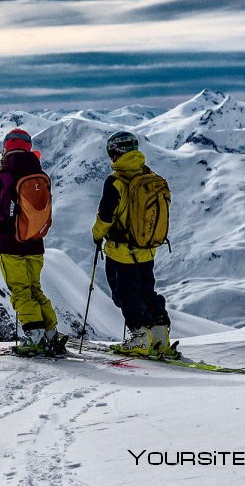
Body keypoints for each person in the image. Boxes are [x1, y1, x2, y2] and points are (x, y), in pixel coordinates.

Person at [0, 128, 68, 356]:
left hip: (10, 244)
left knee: (20, 291)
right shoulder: (39, 174)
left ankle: (35, 336)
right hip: (35, 242)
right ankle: (51, 333)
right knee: (34, 288)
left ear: (6, 147)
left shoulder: (4, 175)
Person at [92, 130, 176, 357]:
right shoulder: (149, 176)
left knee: (125, 294)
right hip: (147, 250)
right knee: (147, 291)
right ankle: (159, 336)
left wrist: (96, 235)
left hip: (121, 253)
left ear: (115, 153)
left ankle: (139, 337)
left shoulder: (116, 182)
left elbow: (106, 217)